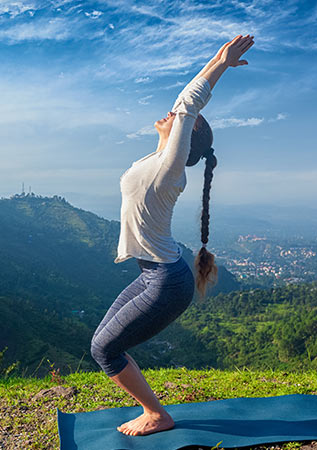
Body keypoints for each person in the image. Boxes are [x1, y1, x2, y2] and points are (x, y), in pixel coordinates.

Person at [90, 34, 255, 436]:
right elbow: (183, 108)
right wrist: (216, 60)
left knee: (104, 350)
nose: (171, 112)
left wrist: (219, 65)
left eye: (182, 120)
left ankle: (157, 414)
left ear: (188, 135)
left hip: (167, 281)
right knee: (104, 343)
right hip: (156, 273)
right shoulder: (158, 159)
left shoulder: (170, 170)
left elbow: (187, 103)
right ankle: (152, 408)